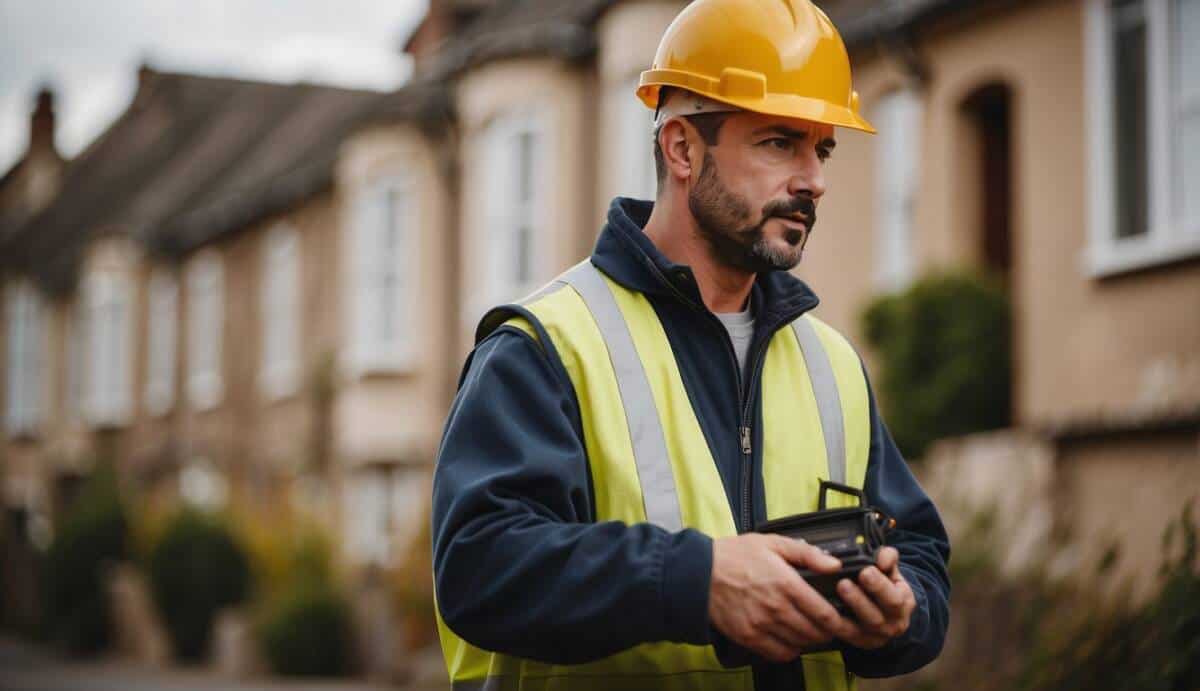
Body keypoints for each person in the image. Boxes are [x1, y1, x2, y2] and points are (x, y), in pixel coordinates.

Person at [431, 0, 950, 688]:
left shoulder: (832, 366)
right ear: (682, 148)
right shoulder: (548, 345)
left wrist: (901, 612)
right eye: (778, 142)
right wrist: (696, 580)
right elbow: (480, 565)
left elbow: (921, 555)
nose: (814, 179)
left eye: (820, 149)